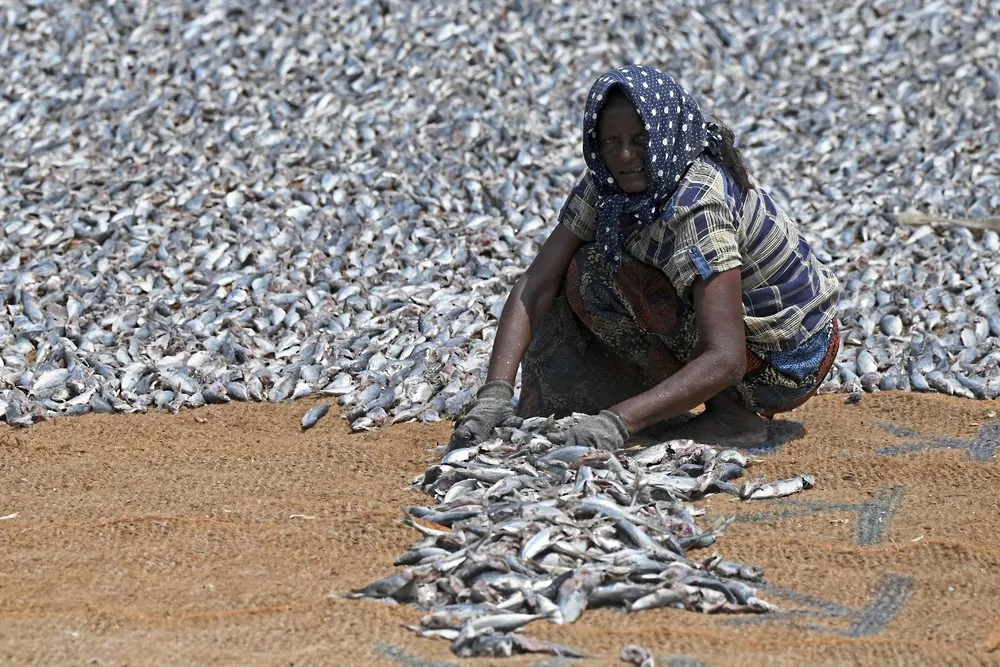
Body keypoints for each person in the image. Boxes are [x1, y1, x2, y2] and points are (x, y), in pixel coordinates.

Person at [450, 64, 840, 451]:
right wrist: (494, 394)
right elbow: (535, 284)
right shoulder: (606, 184)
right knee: (589, 270)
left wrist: (619, 423)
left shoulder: (697, 205)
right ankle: (651, 404)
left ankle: (732, 418)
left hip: (788, 360)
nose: (623, 155)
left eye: (640, 140)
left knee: (632, 282)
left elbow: (727, 358)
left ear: (666, 135)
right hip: (742, 347)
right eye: (610, 142)